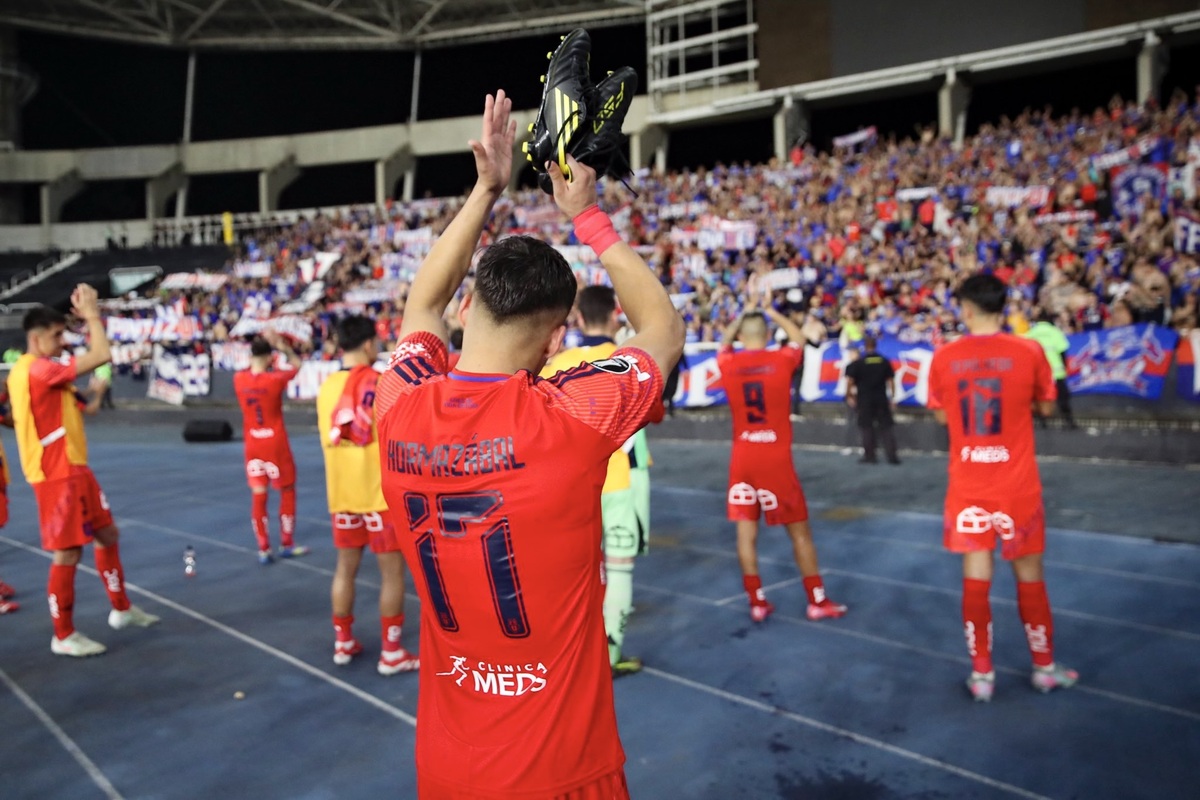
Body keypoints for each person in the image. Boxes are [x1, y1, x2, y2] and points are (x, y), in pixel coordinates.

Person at [375, 91, 683, 799]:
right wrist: (585, 214)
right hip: (560, 771)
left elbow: (420, 306)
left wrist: (488, 187)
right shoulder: (572, 418)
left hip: (447, 767)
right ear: (556, 341)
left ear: (468, 306)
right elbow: (662, 331)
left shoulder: (398, 407)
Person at [926, 273, 1078, 702]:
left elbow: (940, 416)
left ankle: (982, 676)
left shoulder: (944, 357)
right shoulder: (1028, 350)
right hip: (1017, 484)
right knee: (1029, 576)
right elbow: (1047, 406)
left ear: (967, 309)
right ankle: (1044, 667)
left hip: (969, 484)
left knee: (976, 576)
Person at [8, 288, 160, 656]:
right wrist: (92, 314)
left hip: (74, 470)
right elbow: (102, 353)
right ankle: (63, 634)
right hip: (56, 474)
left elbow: (81, 409)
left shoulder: (45, 373)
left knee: (107, 534)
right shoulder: (38, 369)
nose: (62, 343)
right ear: (36, 337)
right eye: (57, 336)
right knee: (68, 553)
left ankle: (121, 609)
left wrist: (94, 395)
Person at [542, 285, 652, 677]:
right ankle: (609, 654)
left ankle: (565, 656)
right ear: (614, 316)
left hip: (565, 486)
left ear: (579, 318)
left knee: (569, 575)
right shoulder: (628, 361)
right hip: (619, 480)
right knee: (619, 569)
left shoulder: (556, 362)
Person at [718, 298, 847, 623]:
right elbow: (799, 338)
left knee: (746, 534)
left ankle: (756, 601)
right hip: (775, 459)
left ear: (742, 336)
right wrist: (772, 311)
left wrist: (741, 315)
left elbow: (723, 344)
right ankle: (816, 599)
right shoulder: (780, 360)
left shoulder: (729, 363)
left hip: (742, 458)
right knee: (800, 534)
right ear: (767, 332)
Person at [316, 315, 419, 675]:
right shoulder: (381, 383)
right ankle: (391, 652)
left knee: (345, 568)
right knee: (392, 575)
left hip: (341, 495)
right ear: (368, 345)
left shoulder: (327, 386)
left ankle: (343, 641)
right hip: (378, 496)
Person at [233, 331, 309, 564]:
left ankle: (263, 547)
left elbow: (251, 368)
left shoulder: (239, 379)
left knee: (258, 494)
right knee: (287, 490)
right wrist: (285, 348)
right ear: (269, 357)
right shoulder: (274, 380)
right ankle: (286, 542)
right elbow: (297, 365)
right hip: (275, 443)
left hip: (253, 444)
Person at [844, 335, 900, 464]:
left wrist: (849, 396)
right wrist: (892, 397)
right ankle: (892, 456)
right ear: (875, 345)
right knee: (886, 427)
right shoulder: (884, 361)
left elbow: (850, 381)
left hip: (864, 399)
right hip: (881, 398)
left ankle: (870, 456)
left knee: (866, 428)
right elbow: (891, 381)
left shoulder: (859, 363)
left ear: (865, 346)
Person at [1023, 309, 1076, 429]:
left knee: (1038, 397)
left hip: (1038, 373)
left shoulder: (1031, 333)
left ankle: (1041, 422)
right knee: (1063, 397)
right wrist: (1064, 366)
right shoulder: (1055, 332)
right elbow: (1062, 351)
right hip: (1056, 372)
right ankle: (1068, 421)